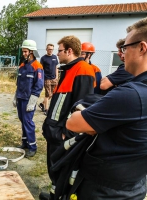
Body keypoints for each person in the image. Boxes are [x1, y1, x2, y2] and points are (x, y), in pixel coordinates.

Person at [66, 17, 147, 199]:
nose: (123, 54)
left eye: (125, 48)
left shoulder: (131, 94)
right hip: (135, 183)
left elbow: (74, 123)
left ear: (142, 48)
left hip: (105, 189)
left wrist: (84, 109)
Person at [40, 36, 95, 200]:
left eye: (60, 50)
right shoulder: (68, 69)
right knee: (54, 168)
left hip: (63, 135)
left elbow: (83, 108)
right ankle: (54, 195)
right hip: (54, 133)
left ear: (69, 51)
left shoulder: (83, 70)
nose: (57, 54)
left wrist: (66, 134)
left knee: (63, 170)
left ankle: (60, 196)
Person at [14, 39, 44, 158]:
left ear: (31, 52)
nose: (24, 53)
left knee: (28, 122)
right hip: (21, 97)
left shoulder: (37, 66)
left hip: (28, 99)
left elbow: (39, 85)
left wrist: (32, 101)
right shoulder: (22, 65)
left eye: (26, 51)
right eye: (23, 51)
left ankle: (33, 146)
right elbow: (19, 82)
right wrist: (15, 96)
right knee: (23, 120)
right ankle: (25, 142)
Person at [39, 44, 59, 115]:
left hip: (54, 78)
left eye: (52, 49)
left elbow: (56, 67)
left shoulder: (54, 57)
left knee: (52, 94)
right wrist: (42, 78)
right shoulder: (43, 58)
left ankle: (42, 104)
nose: (50, 50)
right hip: (46, 78)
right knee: (47, 94)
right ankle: (46, 110)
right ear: (46, 49)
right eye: (49, 49)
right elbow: (41, 69)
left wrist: (57, 76)